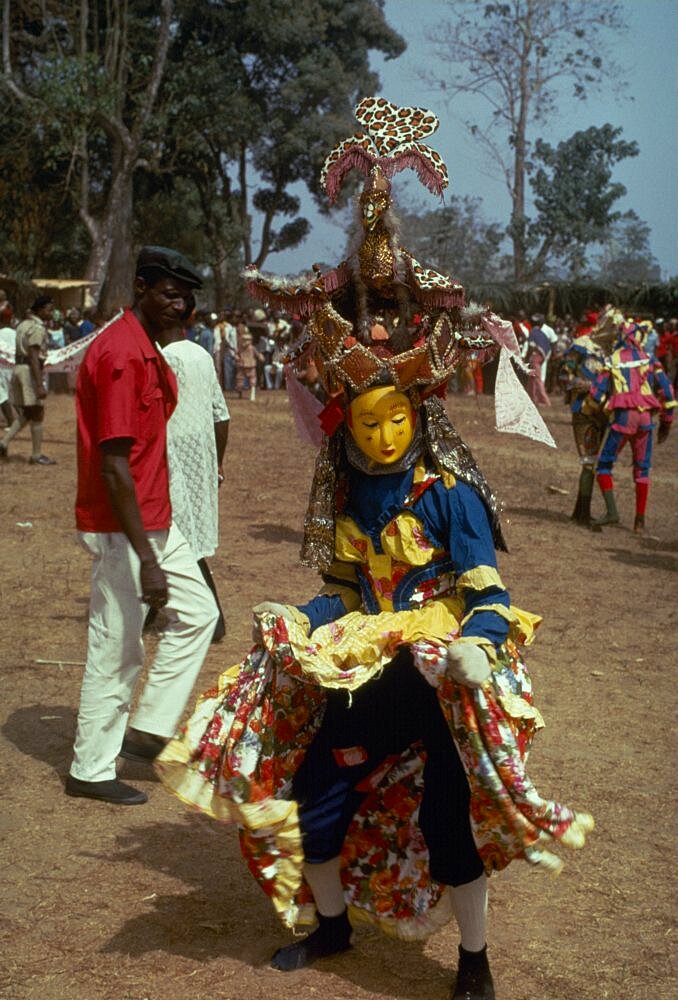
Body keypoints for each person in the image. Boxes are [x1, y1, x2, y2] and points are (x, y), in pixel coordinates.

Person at [157, 98, 592, 1000]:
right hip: (366, 671)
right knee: (317, 792)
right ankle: (331, 929)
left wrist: (476, 644)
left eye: (399, 417)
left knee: (447, 815)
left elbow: (488, 594)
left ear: (421, 415)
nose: (386, 435)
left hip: (440, 678)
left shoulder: (451, 494)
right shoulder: (353, 493)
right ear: (343, 423)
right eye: (368, 420)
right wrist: (299, 612)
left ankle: (473, 963)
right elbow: (348, 590)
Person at [66, 245, 219, 807]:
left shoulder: (147, 348)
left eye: (186, 296)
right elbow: (112, 465)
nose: (179, 304)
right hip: (124, 524)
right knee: (118, 644)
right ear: (140, 288)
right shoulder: (124, 355)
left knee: (200, 614)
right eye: (167, 293)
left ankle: (147, 729)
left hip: (155, 516)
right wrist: (148, 561)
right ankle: (91, 765)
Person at [154, 300, 230, 643]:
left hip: (171, 459)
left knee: (178, 542)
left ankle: (212, 618)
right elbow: (221, 416)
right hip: (199, 458)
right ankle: (150, 611)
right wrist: (216, 463)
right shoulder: (200, 354)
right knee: (179, 538)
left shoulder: (163, 357)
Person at [590, 318, 675, 532]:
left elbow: (595, 393)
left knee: (604, 465)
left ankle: (612, 512)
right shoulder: (649, 358)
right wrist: (666, 421)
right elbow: (667, 391)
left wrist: (601, 407)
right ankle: (639, 521)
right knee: (642, 469)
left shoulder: (613, 359)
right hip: (646, 418)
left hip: (623, 417)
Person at [558, 309, 614, 525]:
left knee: (593, 461)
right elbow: (564, 375)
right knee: (589, 461)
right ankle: (582, 513)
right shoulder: (582, 344)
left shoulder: (613, 350)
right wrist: (584, 385)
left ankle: (581, 511)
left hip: (604, 411)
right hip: (583, 410)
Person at [0, 295, 56, 464]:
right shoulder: (37, 328)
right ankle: (36, 455)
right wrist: (39, 384)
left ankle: (3, 443)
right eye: (48, 309)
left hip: (18, 368)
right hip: (29, 370)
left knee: (28, 412)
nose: (51, 313)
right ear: (39, 310)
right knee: (37, 412)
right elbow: (33, 355)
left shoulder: (23, 325)